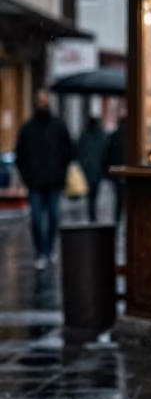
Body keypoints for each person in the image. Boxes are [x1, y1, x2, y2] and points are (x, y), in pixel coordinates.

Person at [15, 89, 73, 270]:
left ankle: (49, 249)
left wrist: (62, 174)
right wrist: (27, 177)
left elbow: (68, 151)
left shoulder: (58, 125)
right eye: (39, 101)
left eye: (44, 101)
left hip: (54, 181)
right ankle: (41, 252)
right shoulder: (28, 128)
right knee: (37, 219)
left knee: (53, 217)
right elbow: (21, 154)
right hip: (35, 183)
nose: (41, 104)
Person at [76, 115, 107, 222]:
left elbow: (78, 151)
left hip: (88, 169)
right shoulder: (101, 136)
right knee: (93, 194)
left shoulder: (85, 136)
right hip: (96, 169)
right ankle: (92, 213)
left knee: (91, 195)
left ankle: (91, 212)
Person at [104, 113, 127, 225]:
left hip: (117, 173)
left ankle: (117, 222)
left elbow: (108, 155)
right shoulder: (130, 136)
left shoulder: (114, 136)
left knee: (119, 200)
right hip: (124, 172)